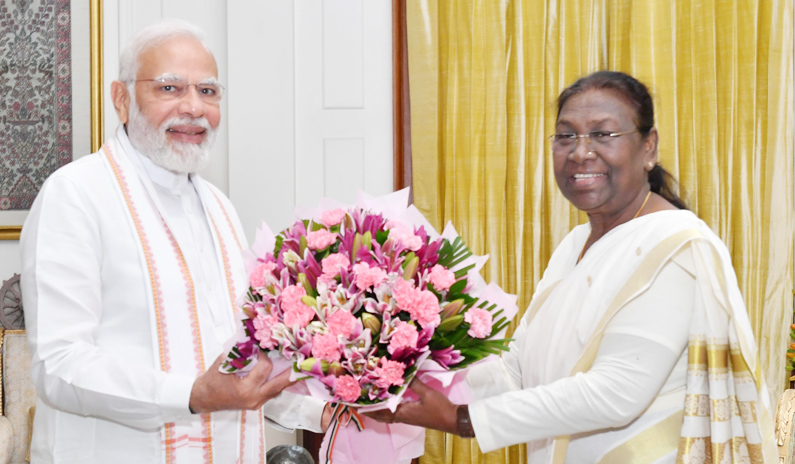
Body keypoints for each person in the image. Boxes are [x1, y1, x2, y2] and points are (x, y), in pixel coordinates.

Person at [367, 71, 778, 463]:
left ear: (648, 146)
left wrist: (461, 420)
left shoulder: (676, 246)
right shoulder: (574, 244)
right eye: (566, 136)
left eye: (603, 134)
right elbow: (518, 370)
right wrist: (406, 383)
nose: (581, 152)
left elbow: (617, 393)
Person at [21, 19, 328, 463]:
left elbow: (237, 362)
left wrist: (326, 411)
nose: (193, 108)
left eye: (208, 91)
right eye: (169, 88)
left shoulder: (219, 207)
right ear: (122, 100)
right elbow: (60, 366)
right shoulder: (75, 194)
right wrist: (192, 394)